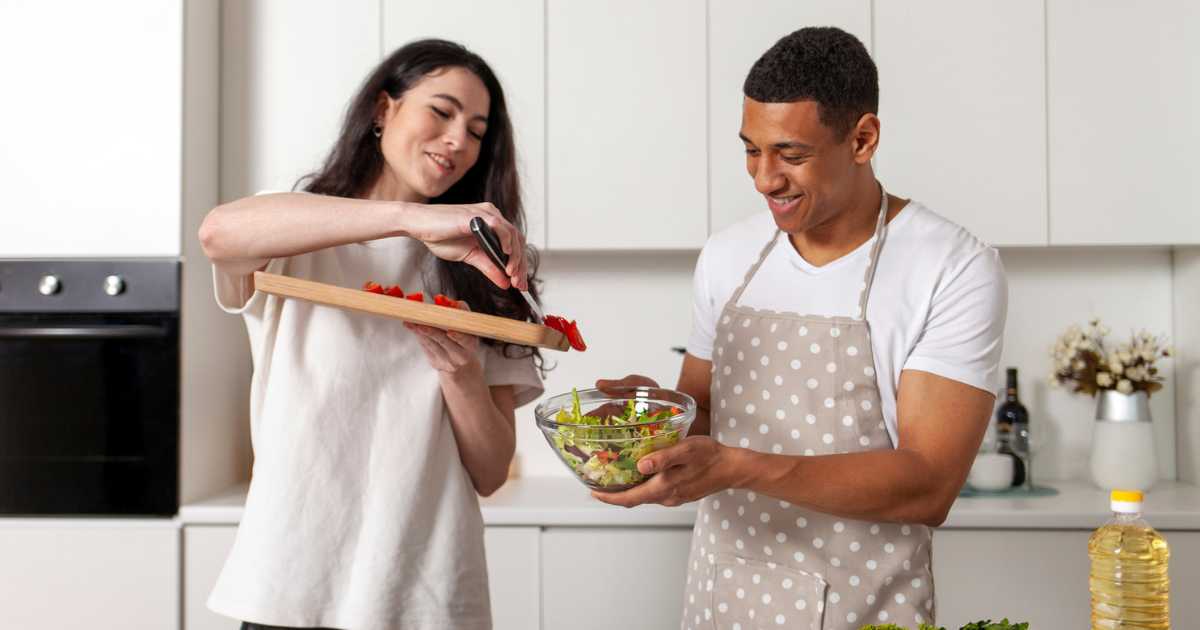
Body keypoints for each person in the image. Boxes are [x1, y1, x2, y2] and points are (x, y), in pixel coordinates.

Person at [593, 27, 1008, 629]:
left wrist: (739, 465)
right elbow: (704, 417)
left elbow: (928, 483)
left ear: (862, 139)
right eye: (750, 150)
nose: (764, 179)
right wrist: (656, 417)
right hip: (725, 594)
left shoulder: (952, 266)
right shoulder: (727, 256)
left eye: (791, 155)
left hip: (866, 606)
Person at [198, 39, 544, 630]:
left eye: (478, 130)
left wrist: (460, 374)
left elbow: (490, 472)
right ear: (383, 110)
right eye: (441, 110)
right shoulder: (292, 231)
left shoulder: (488, 269)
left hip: (430, 593)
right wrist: (410, 219)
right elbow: (217, 233)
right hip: (290, 585)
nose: (459, 139)